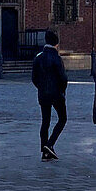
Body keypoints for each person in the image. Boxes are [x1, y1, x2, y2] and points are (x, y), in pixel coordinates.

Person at [32, 29, 68, 160]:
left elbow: (34, 78)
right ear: (56, 44)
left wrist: (41, 87)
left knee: (45, 121)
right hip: (56, 93)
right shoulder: (57, 58)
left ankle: (45, 151)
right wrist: (62, 90)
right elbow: (63, 78)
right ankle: (50, 144)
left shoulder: (38, 57)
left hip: (43, 94)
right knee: (62, 119)